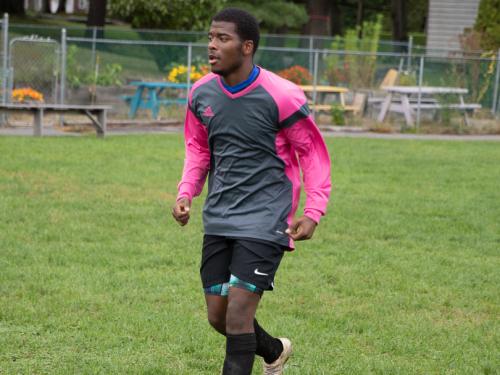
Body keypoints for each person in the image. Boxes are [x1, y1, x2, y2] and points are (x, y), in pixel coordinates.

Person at [172, 8, 331, 375]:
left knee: (239, 315)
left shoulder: (282, 96)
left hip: (266, 219)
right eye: (210, 37)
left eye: (222, 39)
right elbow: (198, 149)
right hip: (219, 216)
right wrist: (186, 192)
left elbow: (313, 153)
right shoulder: (201, 93)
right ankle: (274, 350)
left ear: (247, 47)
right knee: (219, 316)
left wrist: (313, 210)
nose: (212, 45)